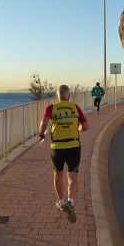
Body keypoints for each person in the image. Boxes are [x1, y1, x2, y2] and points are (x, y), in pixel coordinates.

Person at [38, 84, 89, 223]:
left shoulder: (51, 108)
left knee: (58, 174)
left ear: (58, 96)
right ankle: (71, 202)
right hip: (73, 146)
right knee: (73, 176)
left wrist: (41, 134)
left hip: (57, 148)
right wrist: (77, 128)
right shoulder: (75, 107)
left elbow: (44, 122)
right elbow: (86, 126)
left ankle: (61, 201)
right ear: (69, 95)